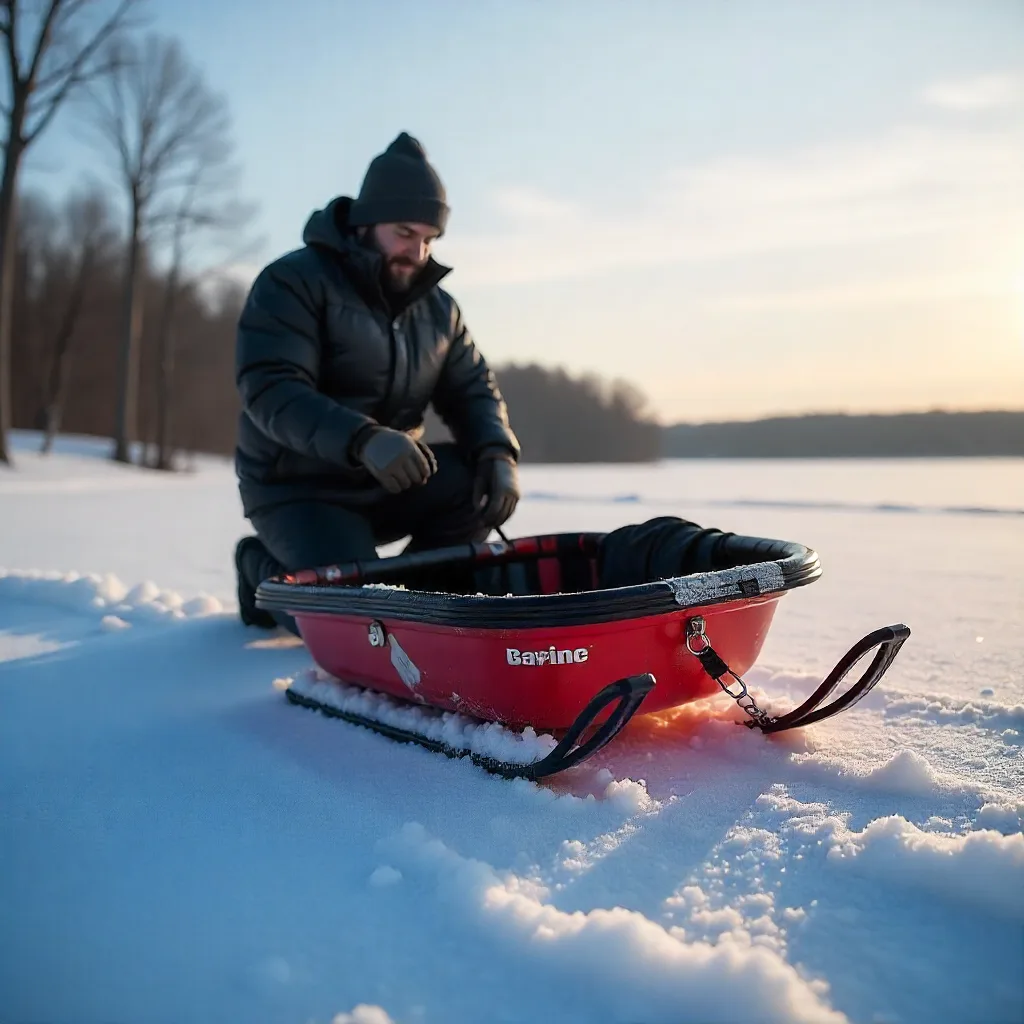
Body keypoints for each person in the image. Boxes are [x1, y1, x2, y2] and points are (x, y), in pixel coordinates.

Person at [232, 132, 521, 631]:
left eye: (429, 238)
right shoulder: (291, 283)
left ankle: (409, 609)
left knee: (470, 482)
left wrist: (497, 452)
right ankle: (261, 574)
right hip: (299, 488)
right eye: (404, 232)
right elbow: (271, 388)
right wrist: (362, 438)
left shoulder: (439, 310)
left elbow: (473, 389)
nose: (417, 250)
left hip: (388, 479)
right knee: (346, 622)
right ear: (366, 223)